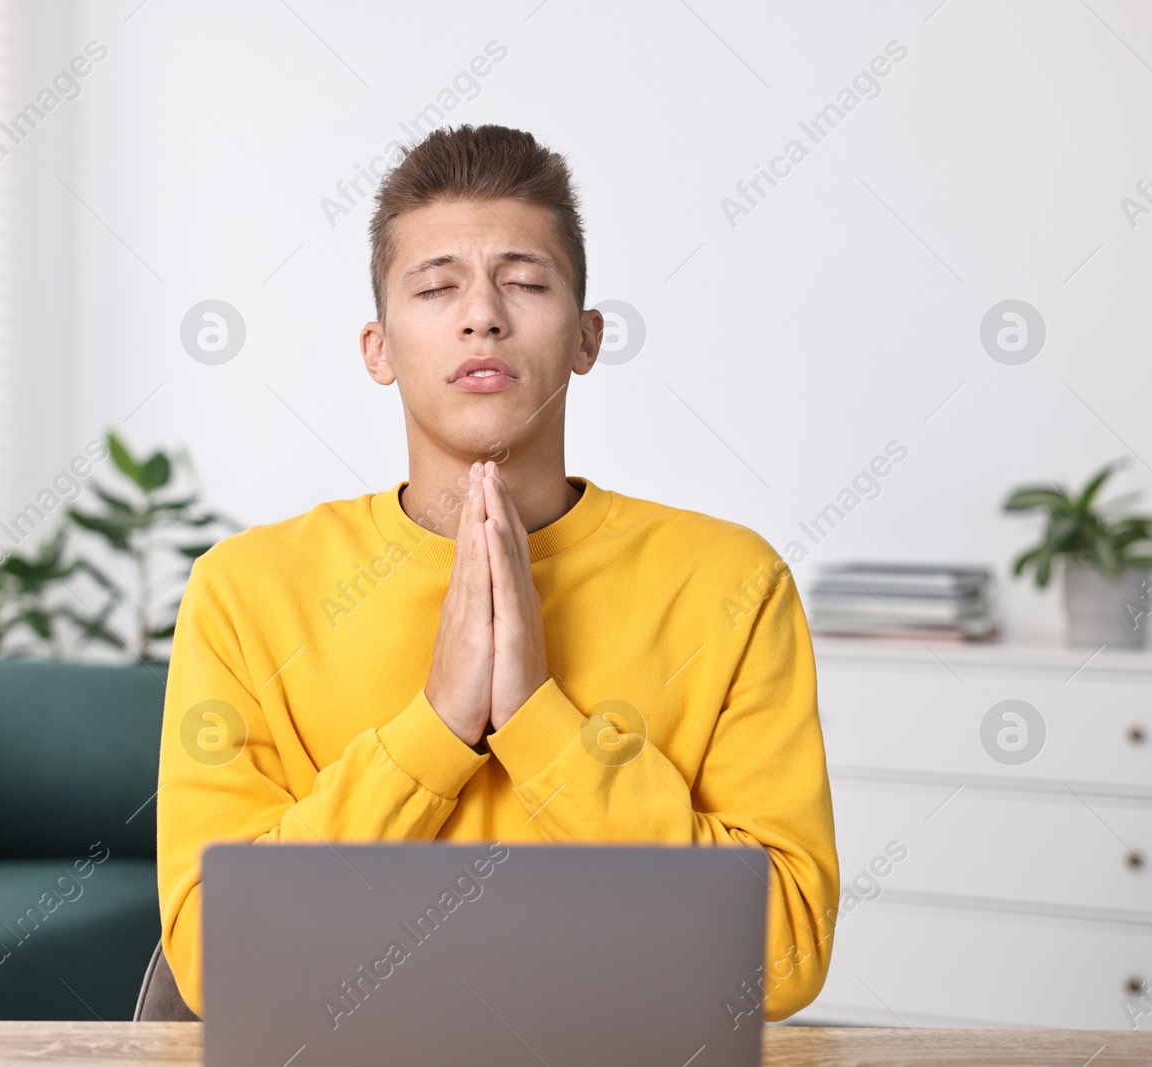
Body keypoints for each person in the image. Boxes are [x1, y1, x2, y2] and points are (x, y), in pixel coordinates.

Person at [155, 123, 839, 1021]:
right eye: (438, 287)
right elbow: (219, 961)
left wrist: (541, 726)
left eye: (525, 282)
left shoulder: (734, 582)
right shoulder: (244, 591)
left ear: (588, 338)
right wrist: (435, 728)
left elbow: (784, 953)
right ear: (379, 349)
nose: (483, 313)